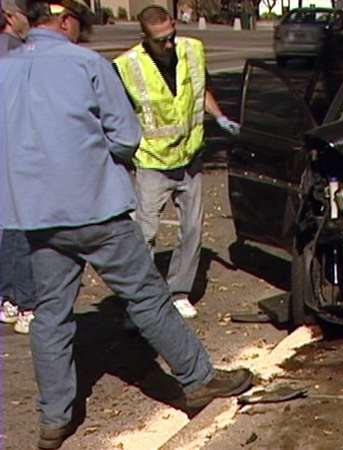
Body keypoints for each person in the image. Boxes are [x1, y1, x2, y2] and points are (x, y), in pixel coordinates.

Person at [0, 1, 252, 448]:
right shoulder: (85, 64)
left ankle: (53, 418)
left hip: (38, 216)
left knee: (51, 317)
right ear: (66, 21)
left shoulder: (5, 70)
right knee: (147, 297)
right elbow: (126, 136)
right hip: (96, 208)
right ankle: (197, 379)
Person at [114, 5, 240, 319]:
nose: (169, 44)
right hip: (153, 162)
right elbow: (117, 114)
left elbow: (200, 92)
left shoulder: (192, 50)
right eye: (160, 40)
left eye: (171, 36)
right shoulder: (128, 66)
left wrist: (220, 116)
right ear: (145, 38)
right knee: (144, 234)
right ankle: (141, 302)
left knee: (192, 229)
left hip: (191, 157)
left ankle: (178, 292)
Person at [0, 0, 36, 334]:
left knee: (9, 228)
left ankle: (10, 298)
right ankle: (25, 302)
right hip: (15, 153)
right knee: (20, 230)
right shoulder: (15, 53)